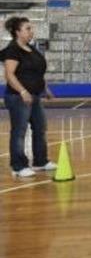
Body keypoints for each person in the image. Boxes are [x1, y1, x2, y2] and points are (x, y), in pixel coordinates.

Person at [3, 17, 56, 178]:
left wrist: (45, 89)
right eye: (27, 29)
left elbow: (37, 72)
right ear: (17, 32)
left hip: (35, 96)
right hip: (18, 97)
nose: (31, 31)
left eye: (31, 28)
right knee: (19, 131)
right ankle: (18, 166)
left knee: (40, 128)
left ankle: (40, 161)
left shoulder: (31, 49)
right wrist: (23, 92)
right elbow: (9, 75)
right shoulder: (13, 50)